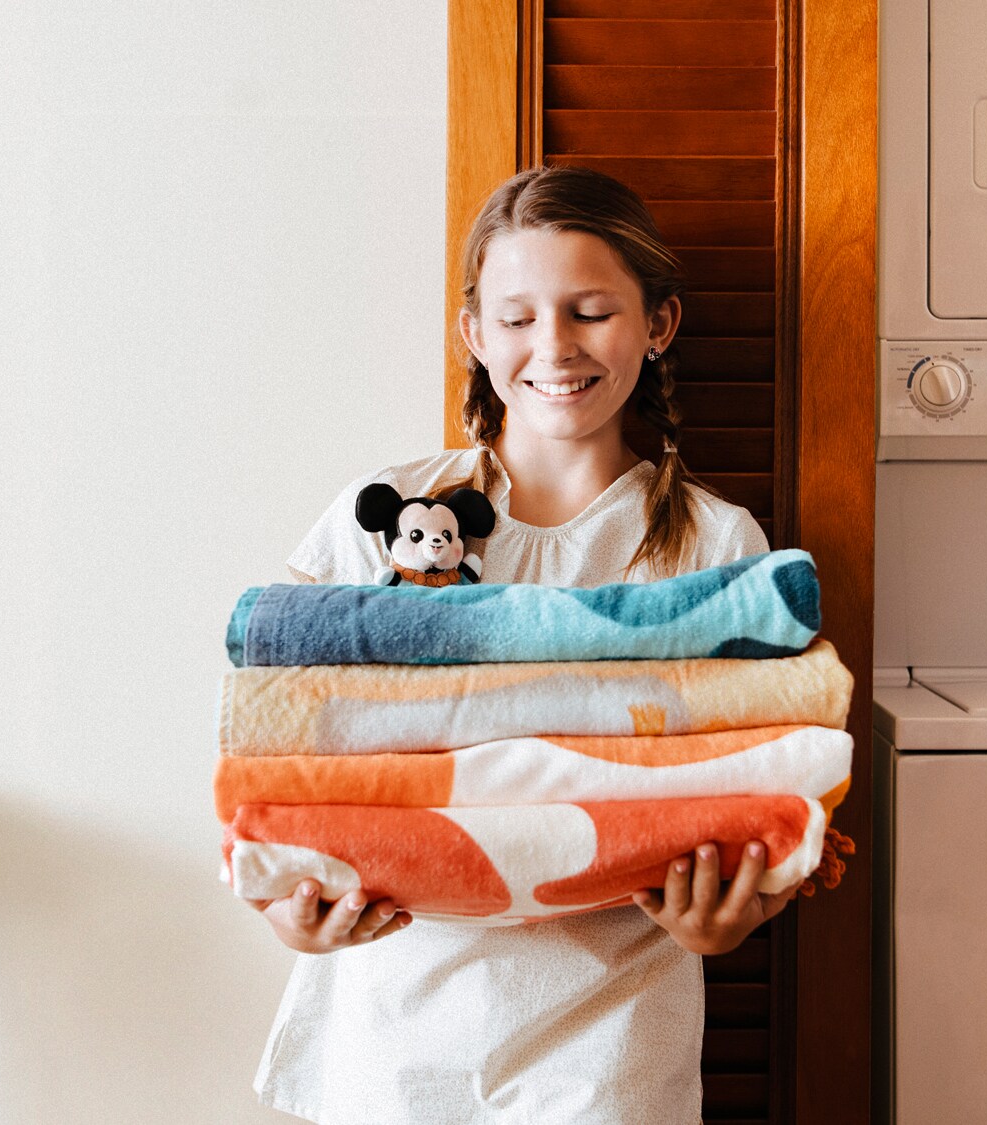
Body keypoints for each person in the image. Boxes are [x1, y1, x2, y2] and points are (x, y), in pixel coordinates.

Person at [248, 165, 798, 1125]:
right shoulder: (387, 519)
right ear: (474, 335)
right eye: (517, 318)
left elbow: (761, 781)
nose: (555, 346)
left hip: (609, 1042)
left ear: (657, 324)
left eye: (590, 310)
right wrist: (285, 901)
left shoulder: (716, 549)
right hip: (391, 1026)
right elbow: (275, 738)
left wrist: (734, 911)